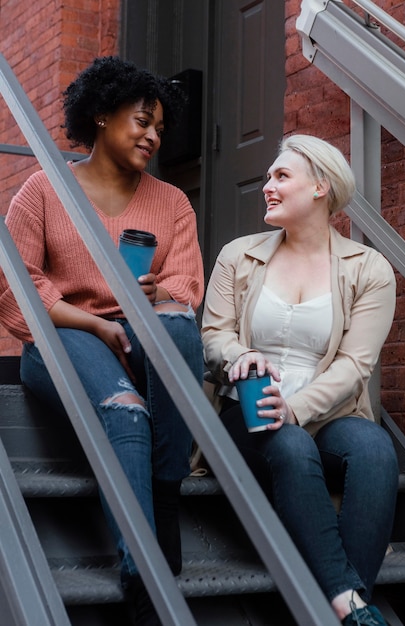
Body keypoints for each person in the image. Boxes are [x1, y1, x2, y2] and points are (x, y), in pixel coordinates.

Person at [0, 56, 204, 625]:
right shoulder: (43, 189)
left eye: (160, 127)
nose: (153, 136)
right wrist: (95, 322)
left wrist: (149, 292)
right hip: (63, 335)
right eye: (142, 121)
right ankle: (142, 578)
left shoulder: (172, 203)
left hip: (144, 335)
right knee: (126, 411)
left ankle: (164, 491)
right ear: (99, 116)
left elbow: (186, 284)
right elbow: (16, 282)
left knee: (181, 329)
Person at [201, 134, 398, 626]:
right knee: (286, 444)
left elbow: (356, 366)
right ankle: (351, 606)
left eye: (281, 176)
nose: (267, 185)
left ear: (320, 188)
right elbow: (213, 335)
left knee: (374, 450)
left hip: (327, 416)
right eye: (268, 176)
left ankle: (345, 603)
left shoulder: (369, 268)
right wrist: (240, 354)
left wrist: (297, 408)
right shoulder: (238, 255)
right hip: (247, 414)